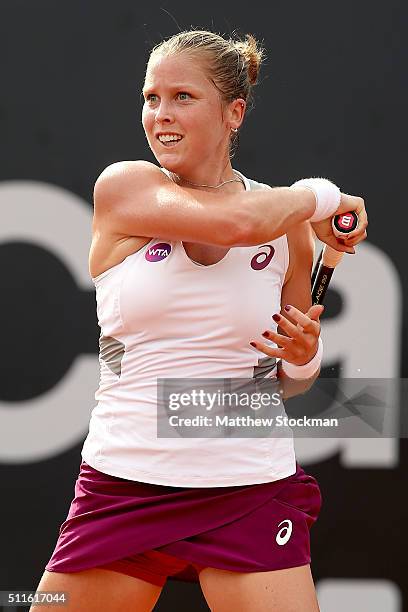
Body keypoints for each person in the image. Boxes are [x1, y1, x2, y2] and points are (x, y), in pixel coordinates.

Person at [31, 29, 368, 612]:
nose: (160, 114)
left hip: (249, 486)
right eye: (150, 97)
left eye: (182, 97)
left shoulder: (282, 221)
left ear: (233, 112)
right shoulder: (124, 188)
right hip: (125, 484)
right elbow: (235, 224)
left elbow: (292, 382)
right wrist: (323, 194)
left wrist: (304, 354)